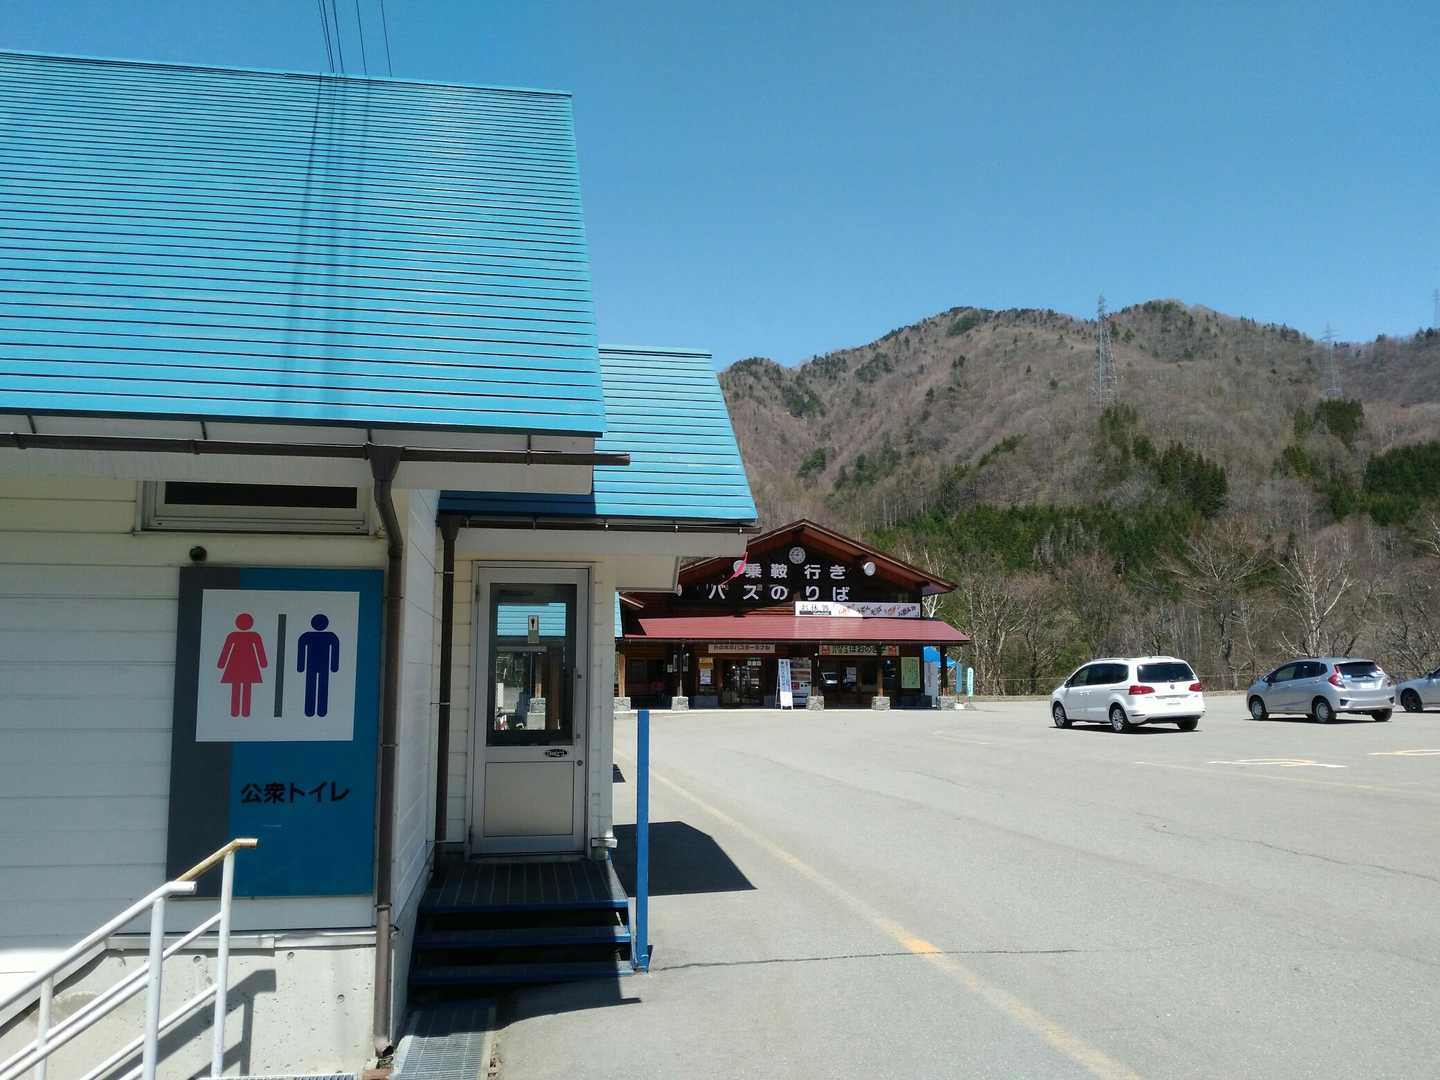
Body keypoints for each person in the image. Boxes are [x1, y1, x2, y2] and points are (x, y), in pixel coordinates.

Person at [217, 613, 267, 718]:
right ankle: (242, 712)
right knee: (243, 687)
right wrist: (263, 663)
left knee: (240, 686)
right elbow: (226, 649)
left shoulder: (239, 635)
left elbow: (226, 650)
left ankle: (240, 712)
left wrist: (221, 664)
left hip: (239, 665)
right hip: (244, 665)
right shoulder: (246, 635)